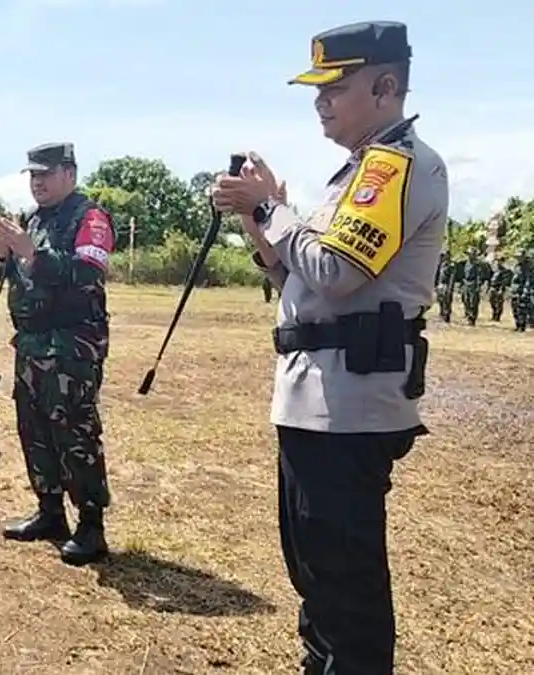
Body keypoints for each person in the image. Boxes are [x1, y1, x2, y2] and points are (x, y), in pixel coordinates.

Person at [212, 21, 446, 674]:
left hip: (350, 406)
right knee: (315, 568)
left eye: (335, 88)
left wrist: (270, 209)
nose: (320, 101)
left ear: (386, 86)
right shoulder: (356, 173)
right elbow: (299, 280)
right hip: (319, 400)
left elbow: (337, 272)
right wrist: (259, 216)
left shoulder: (396, 168)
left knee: (345, 583)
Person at [0, 142, 114, 566]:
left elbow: (87, 273)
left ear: (69, 174)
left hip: (71, 345)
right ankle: (50, 512)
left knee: (75, 431)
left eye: (45, 173)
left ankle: (91, 526)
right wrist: (2, 253)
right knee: (35, 428)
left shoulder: (89, 218)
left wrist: (30, 251)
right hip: (31, 344)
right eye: (33, 175)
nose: (37, 182)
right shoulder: (33, 220)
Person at [458, 248, 490, 326]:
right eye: (469, 254)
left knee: (473, 302)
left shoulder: (477, 264)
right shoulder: (465, 263)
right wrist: (461, 284)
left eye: (472, 254)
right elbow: (463, 274)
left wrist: (478, 286)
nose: (470, 256)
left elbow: (479, 276)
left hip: (473, 283)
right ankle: (468, 315)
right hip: (466, 283)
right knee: (466, 300)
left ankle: (472, 319)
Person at [488, 256, 513, 322]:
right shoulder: (495, 270)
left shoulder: (505, 271)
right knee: (492, 302)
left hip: (499, 288)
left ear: (502, 262)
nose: (498, 262)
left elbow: (505, 281)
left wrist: (501, 289)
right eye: (497, 260)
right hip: (492, 288)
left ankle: (497, 317)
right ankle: (494, 315)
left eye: (500, 261)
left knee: (499, 303)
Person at [434, 250, 455, 322]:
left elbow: (452, 278)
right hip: (440, 285)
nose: (444, 256)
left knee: (447, 301)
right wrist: (436, 285)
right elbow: (437, 275)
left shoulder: (451, 265)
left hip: (446, 285)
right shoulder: (441, 264)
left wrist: (450, 288)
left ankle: (446, 316)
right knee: (440, 300)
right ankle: (442, 314)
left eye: (445, 255)